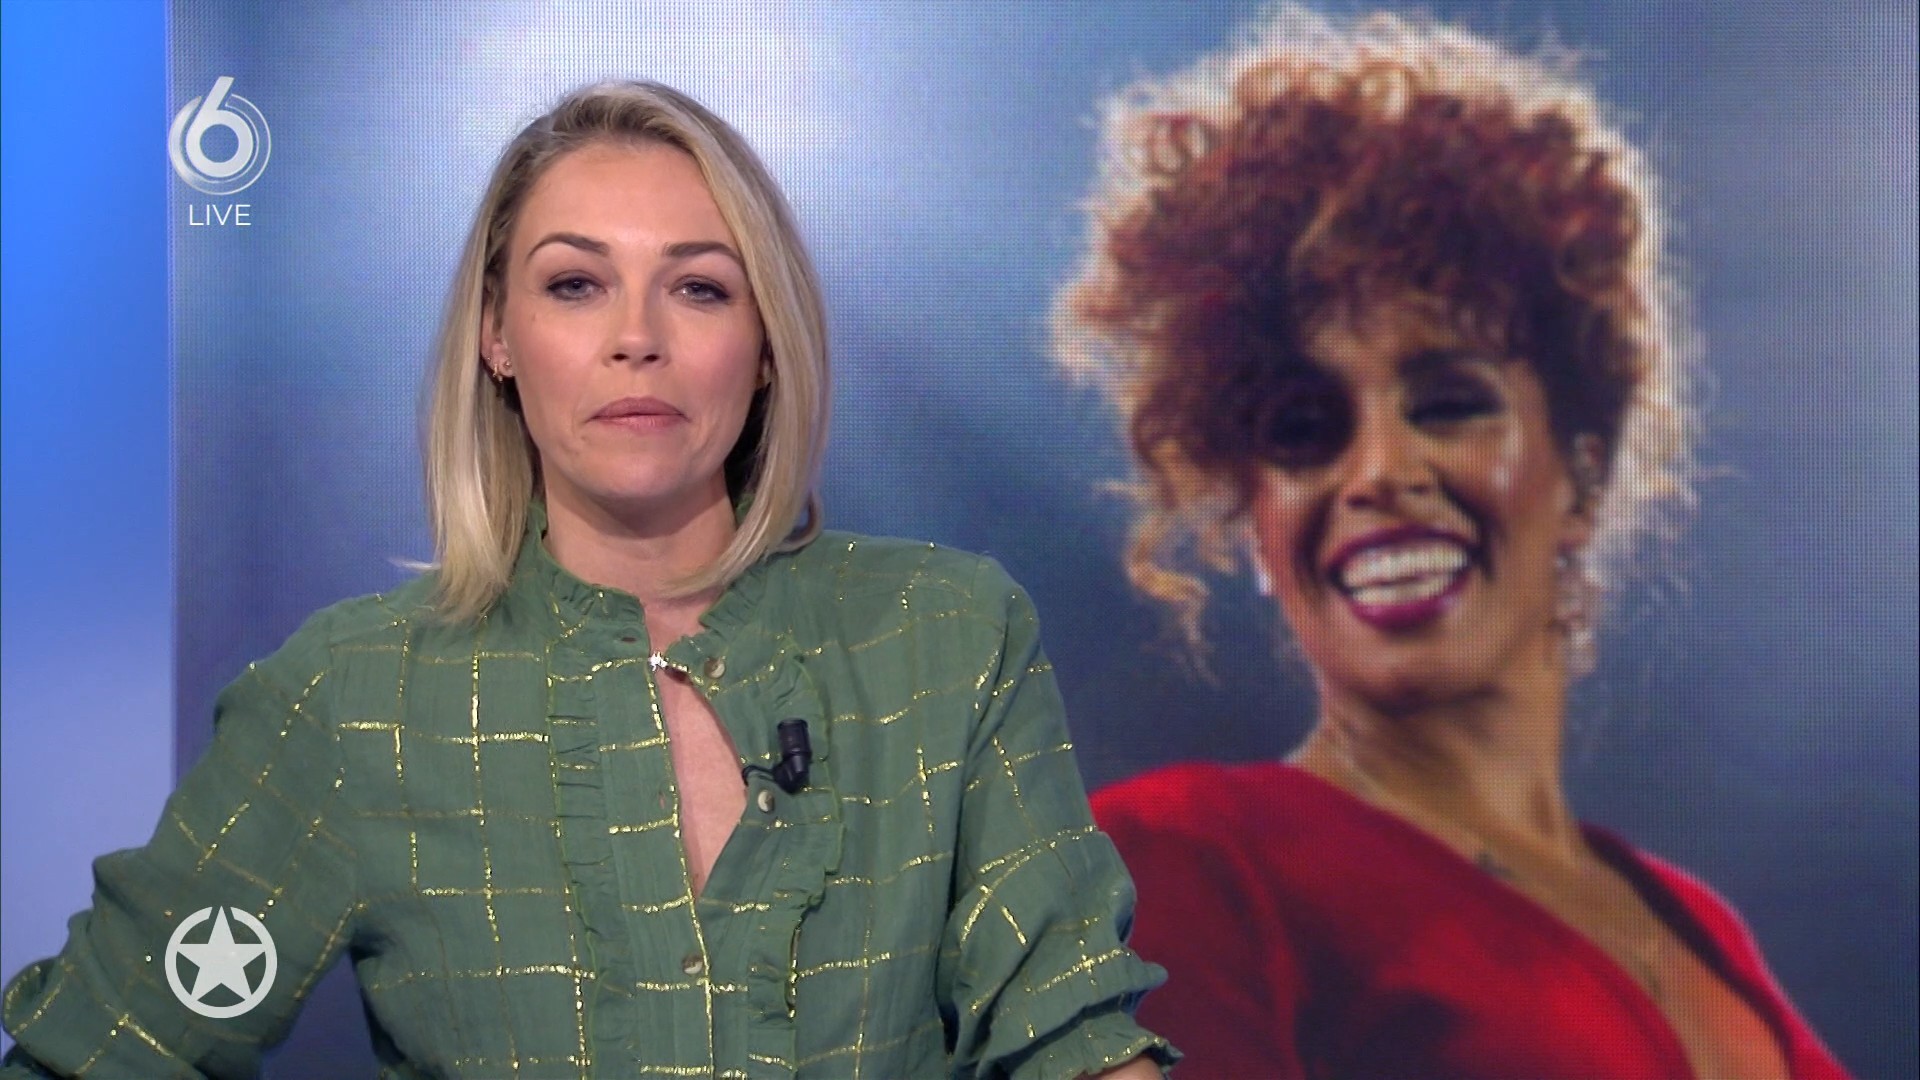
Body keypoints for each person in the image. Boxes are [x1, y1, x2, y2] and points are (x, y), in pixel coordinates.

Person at [2, 81, 1173, 1079]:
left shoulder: (945, 634)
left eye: (700, 287)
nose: (636, 337)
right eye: (575, 285)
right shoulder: (357, 695)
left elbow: (1069, 1031)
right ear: (498, 338)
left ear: (767, 346)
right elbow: (100, 1048)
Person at [1053, 8, 1848, 1078]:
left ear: (1582, 470)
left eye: (1449, 402)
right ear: (1256, 521)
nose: (1379, 471)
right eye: (1304, 427)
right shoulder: (1180, 864)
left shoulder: (1700, 924)